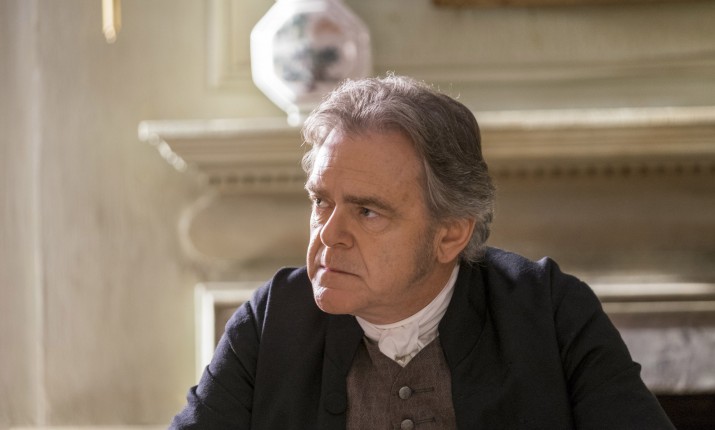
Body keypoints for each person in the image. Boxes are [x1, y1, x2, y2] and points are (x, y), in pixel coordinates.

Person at [170, 75, 674, 429]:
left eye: (368, 211)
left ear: (450, 235)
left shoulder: (550, 310)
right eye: (321, 202)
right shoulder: (271, 318)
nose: (329, 234)